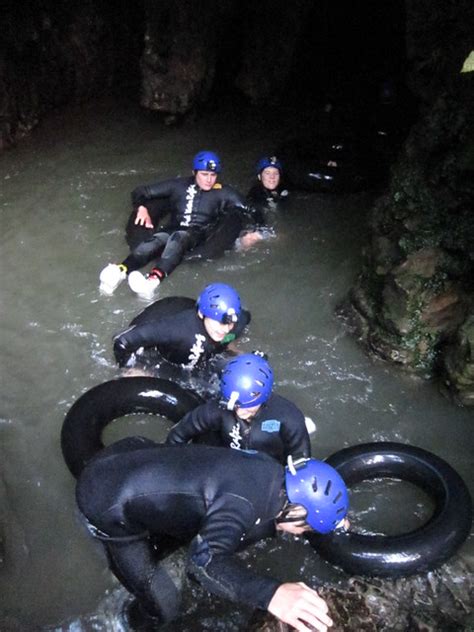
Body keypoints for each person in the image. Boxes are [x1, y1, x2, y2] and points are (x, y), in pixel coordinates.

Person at [75, 437, 349, 631]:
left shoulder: (272, 471)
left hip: (130, 451)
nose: (301, 535)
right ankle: (121, 621)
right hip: (104, 500)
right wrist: (272, 594)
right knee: (165, 606)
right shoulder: (241, 506)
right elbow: (203, 563)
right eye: (305, 528)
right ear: (296, 511)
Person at [99, 151, 251, 299]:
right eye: (204, 174)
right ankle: (121, 270)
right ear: (194, 172)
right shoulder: (178, 185)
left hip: (198, 233)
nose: (209, 180)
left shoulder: (224, 192)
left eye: (213, 175)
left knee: (178, 238)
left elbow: (250, 210)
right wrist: (142, 208)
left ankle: (152, 282)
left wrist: (252, 234)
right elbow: (140, 191)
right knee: (155, 241)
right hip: (173, 228)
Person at [166, 353, 311, 464]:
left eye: (247, 407)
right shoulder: (217, 409)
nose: (240, 412)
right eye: (235, 406)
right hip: (226, 465)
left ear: (263, 395)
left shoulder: (287, 416)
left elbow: (302, 462)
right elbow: (179, 434)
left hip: (267, 471)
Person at [113, 283, 249, 377]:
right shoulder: (177, 330)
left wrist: (231, 344)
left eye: (230, 324)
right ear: (202, 314)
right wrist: (130, 368)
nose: (225, 329)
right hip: (161, 347)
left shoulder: (234, 322)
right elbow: (122, 341)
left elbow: (245, 316)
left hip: (183, 311)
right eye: (221, 323)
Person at [237, 156, 289, 250]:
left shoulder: (283, 190)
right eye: (267, 173)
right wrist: (261, 232)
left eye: (275, 173)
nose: (272, 177)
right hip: (255, 225)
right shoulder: (256, 194)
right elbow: (255, 212)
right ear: (259, 176)